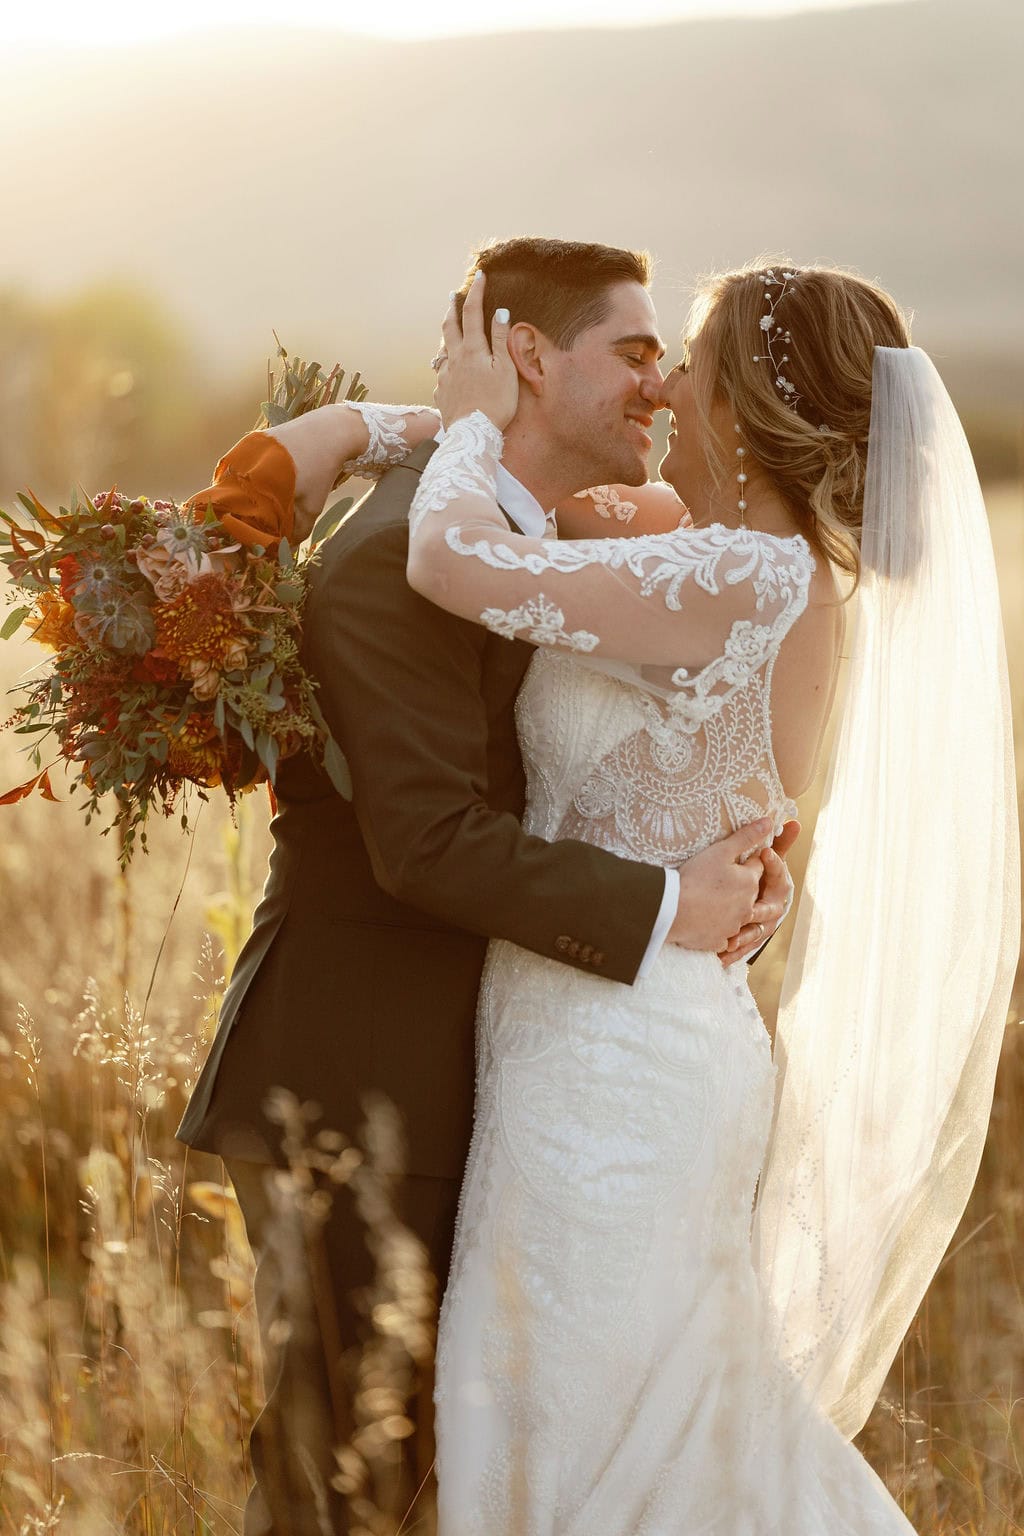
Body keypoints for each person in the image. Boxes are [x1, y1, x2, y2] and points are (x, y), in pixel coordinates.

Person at [377, 261, 1014, 1531]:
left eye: (692, 363)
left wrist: (463, 422)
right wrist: (381, 425)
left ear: (739, 407)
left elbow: (453, 559)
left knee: (583, 1432)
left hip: (617, 1062)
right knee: (615, 1422)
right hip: (609, 1029)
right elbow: (539, 491)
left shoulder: (744, 577)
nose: (664, 383)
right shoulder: (719, 549)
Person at [175, 238, 796, 1534]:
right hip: (357, 1073)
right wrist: (665, 907)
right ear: (527, 358)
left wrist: (739, 849)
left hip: (499, 1075)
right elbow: (427, 842)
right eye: (633, 353)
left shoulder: (529, 535)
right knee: (341, 1480)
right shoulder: (395, 552)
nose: (660, 385)